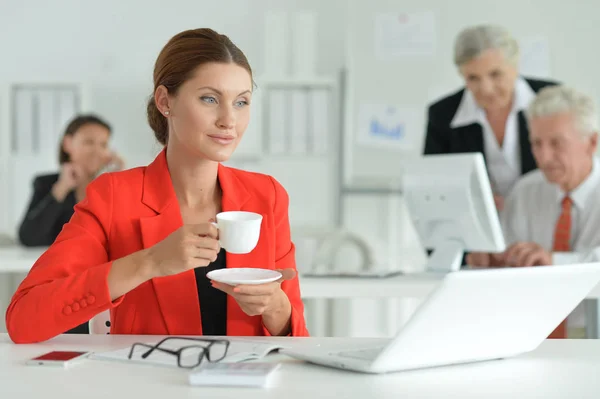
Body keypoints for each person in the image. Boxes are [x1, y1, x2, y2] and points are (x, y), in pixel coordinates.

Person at [6, 28, 309, 344]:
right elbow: (24, 319)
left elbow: (299, 338)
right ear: (166, 101)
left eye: (242, 102)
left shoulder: (267, 196)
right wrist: (149, 262)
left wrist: (276, 308)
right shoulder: (114, 196)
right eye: (210, 98)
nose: (229, 120)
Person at [467, 85, 600, 338]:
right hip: (531, 332)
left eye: (556, 143)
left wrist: (554, 263)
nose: (544, 156)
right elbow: (505, 260)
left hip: (592, 332)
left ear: (591, 142)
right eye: (536, 143)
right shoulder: (526, 190)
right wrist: (493, 261)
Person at [424, 24, 556, 210]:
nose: (486, 89)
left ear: (515, 66)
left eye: (495, 74)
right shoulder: (442, 114)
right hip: (476, 223)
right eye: (473, 78)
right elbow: (432, 184)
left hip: (545, 215)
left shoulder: (553, 99)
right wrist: (471, 199)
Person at [18, 114, 124, 248]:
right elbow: (28, 238)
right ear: (67, 144)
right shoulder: (46, 184)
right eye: (89, 142)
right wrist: (61, 188)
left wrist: (119, 183)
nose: (97, 151)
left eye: (103, 145)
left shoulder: (107, 188)